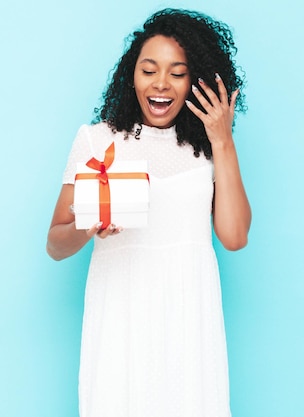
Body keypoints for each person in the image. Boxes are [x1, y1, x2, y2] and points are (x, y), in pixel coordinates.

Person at [46, 8, 251, 417]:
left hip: (188, 313)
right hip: (121, 312)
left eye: (178, 73)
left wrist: (222, 140)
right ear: (131, 76)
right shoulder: (96, 140)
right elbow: (55, 242)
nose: (161, 84)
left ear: (197, 81)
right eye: (149, 70)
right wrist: (89, 227)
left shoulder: (209, 148)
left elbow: (233, 237)